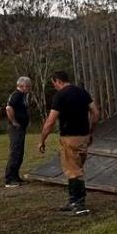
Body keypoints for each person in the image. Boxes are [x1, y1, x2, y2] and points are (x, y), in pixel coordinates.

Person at [38, 71, 99, 216]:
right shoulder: (82, 92)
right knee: (76, 167)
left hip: (69, 137)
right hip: (84, 136)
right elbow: (95, 113)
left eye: (54, 84)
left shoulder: (60, 96)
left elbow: (50, 121)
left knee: (73, 171)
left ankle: (79, 204)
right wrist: (91, 131)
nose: (55, 87)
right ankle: (73, 201)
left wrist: (42, 140)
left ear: (57, 81)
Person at [3, 76, 32, 187]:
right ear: (22, 86)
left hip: (21, 127)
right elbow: (8, 108)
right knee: (15, 151)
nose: (29, 88)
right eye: (28, 86)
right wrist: (14, 121)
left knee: (19, 152)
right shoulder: (16, 95)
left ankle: (15, 176)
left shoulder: (23, 96)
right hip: (16, 128)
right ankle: (9, 178)